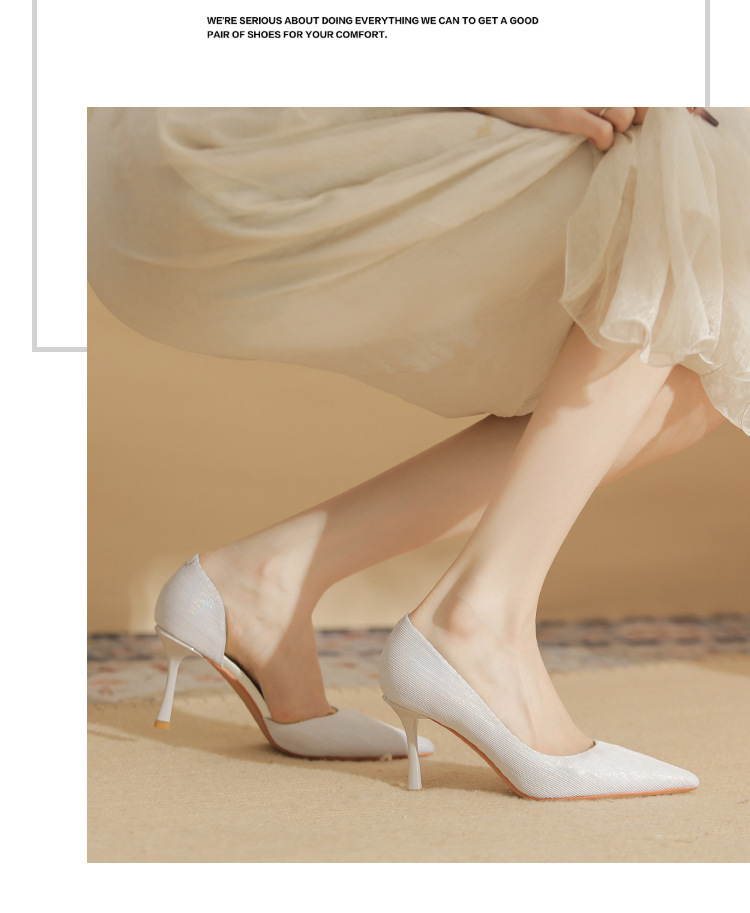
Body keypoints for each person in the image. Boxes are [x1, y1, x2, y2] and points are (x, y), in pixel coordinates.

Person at [88, 107, 749, 799]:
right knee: (692, 179)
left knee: (697, 376)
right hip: (196, 142)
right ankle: (479, 620)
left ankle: (268, 578)